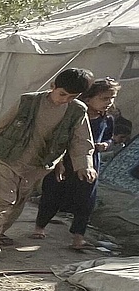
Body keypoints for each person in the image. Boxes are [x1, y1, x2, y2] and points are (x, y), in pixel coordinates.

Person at [0, 68, 96, 256]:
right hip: (7, 156)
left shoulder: (77, 110)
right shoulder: (28, 101)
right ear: (53, 87)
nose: (64, 99)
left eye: (71, 96)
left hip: (38, 165)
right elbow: (0, 125)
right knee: (4, 199)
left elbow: (81, 140)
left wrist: (85, 165)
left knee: (18, 201)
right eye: (62, 94)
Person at [33, 78, 121, 250]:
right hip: (65, 161)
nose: (109, 103)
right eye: (104, 98)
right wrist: (59, 162)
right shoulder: (74, 115)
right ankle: (40, 226)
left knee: (86, 199)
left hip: (90, 163)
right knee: (52, 193)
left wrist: (106, 144)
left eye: (112, 98)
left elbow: (109, 137)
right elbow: (61, 139)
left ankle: (78, 236)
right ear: (88, 99)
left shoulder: (107, 119)